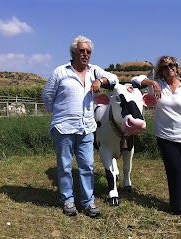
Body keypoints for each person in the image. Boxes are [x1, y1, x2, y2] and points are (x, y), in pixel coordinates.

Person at [42, 35, 119, 217]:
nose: (85, 54)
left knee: (87, 166)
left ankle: (88, 201)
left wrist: (100, 81)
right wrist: (61, 112)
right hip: (64, 127)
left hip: (86, 127)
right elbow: (47, 96)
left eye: (88, 52)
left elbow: (114, 78)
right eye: (82, 51)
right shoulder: (61, 72)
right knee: (65, 166)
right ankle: (68, 200)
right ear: (74, 52)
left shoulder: (94, 71)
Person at [131, 56, 181, 220]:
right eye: (164, 67)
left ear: (177, 68)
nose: (168, 68)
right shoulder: (157, 86)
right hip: (166, 135)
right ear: (161, 71)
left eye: (171, 65)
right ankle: (178, 205)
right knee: (176, 170)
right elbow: (135, 80)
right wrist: (153, 83)